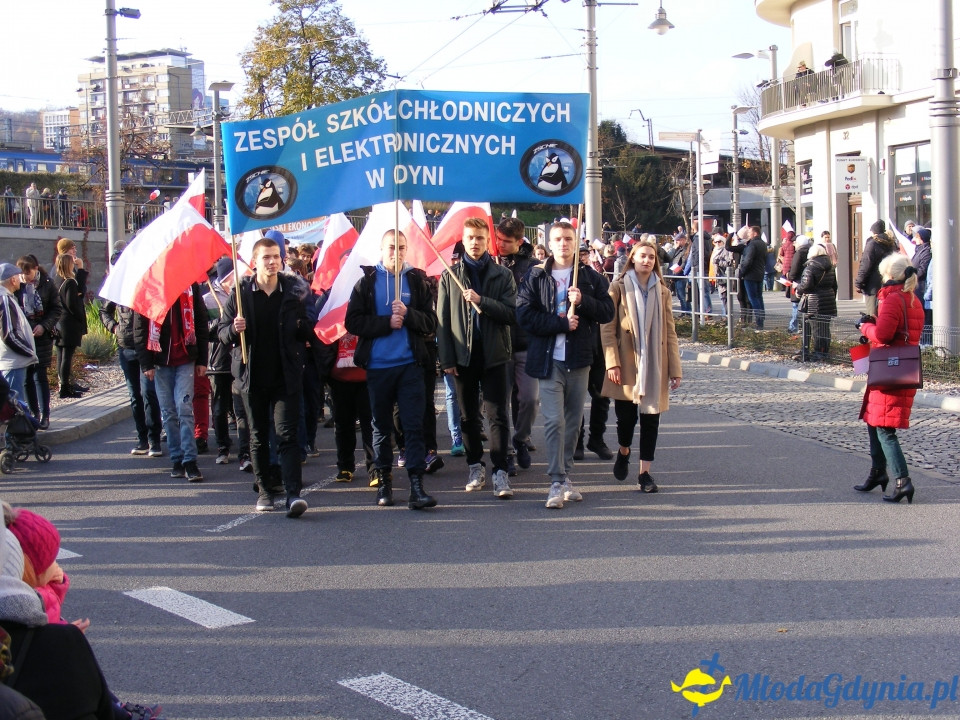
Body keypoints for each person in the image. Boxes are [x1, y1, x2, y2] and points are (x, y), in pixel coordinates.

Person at [516, 221, 614, 509]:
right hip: (548, 360)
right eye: (557, 239)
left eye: (568, 239)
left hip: (579, 358)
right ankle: (556, 479)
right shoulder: (535, 276)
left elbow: (607, 311)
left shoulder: (591, 278)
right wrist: (559, 323)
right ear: (549, 242)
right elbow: (523, 316)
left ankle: (565, 474)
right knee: (554, 421)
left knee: (573, 423)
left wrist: (583, 302)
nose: (563, 244)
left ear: (575, 242)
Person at [218, 237, 313, 518]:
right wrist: (234, 329)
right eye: (266, 258)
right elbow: (221, 334)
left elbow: (308, 330)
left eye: (276, 256)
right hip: (252, 376)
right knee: (258, 435)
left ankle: (293, 493)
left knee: (287, 435)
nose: (272, 262)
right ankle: (264, 491)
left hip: (286, 375)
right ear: (254, 262)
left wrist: (301, 326)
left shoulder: (294, 291)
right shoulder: (241, 294)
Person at [344, 230, 438, 510]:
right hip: (378, 367)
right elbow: (353, 322)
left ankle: (417, 486)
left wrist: (409, 315)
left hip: (410, 365)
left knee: (413, 425)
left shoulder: (416, 281)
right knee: (381, 428)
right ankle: (383, 482)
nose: (396, 252)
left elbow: (431, 322)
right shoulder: (367, 283)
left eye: (400, 247)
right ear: (381, 249)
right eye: (390, 247)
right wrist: (386, 323)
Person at [438, 218, 517, 498]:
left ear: (488, 241)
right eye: (470, 237)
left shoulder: (502, 275)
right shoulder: (450, 275)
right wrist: (446, 359)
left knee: (497, 415)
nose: (475, 243)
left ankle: (500, 471)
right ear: (463, 239)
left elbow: (511, 313)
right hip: (463, 357)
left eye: (480, 238)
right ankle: (475, 466)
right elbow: (443, 321)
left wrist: (482, 300)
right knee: (468, 416)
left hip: (495, 354)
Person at [601, 240, 682, 492]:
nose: (647, 260)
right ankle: (624, 451)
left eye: (651, 257)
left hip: (655, 364)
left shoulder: (664, 292)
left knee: (651, 420)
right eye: (642, 256)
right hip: (626, 363)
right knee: (625, 419)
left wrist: (675, 369)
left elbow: (670, 332)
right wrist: (612, 362)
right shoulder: (618, 287)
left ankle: (645, 473)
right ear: (632, 258)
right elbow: (607, 329)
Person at [853, 254, 924, 504]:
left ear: (890, 276)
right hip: (899, 368)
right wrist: (875, 323)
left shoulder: (893, 299)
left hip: (889, 370)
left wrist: (865, 327)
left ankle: (902, 480)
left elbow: (883, 336)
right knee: (874, 420)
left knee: (884, 428)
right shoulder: (911, 299)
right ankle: (877, 473)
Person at [134, 282, 208, 484]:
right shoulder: (149, 289)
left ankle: (190, 460)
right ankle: (177, 459)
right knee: (168, 412)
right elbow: (139, 327)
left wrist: (202, 360)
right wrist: (145, 363)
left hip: (185, 357)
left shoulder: (190, 286)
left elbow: (201, 321)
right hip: (160, 361)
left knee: (184, 408)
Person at [494, 217, 538, 471]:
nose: (500, 244)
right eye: (498, 239)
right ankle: (506, 452)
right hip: (498, 343)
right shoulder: (489, 263)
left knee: (529, 399)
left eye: (506, 241)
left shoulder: (533, 267)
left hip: (525, 342)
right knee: (499, 402)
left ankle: (521, 438)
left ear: (520, 242)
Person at [15, 255, 62, 430]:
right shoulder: (17, 287)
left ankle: (45, 414)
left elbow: (56, 308)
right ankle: (33, 414)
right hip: (24, 336)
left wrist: (44, 326)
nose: (26, 277)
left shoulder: (47, 284)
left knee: (39, 375)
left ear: (36, 268)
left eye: (29, 272)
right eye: (23, 273)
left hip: (42, 336)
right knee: (27, 376)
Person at [0, 264, 38, 404]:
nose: (20, 279)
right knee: (15, 406)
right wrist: (28, 351)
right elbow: (9, 333)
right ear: (12, 280)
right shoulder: (4, 300)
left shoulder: (7, 298)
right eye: (17, 276)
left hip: (10, 359)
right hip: (12, 361)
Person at [794, 243, 838, 360]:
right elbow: (835, 286)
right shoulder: (831, 267)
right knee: (824, 328)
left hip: (814, 302)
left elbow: (806, 285)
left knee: (814, 328)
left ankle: (815, 352)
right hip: (828, 301)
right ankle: (824, 352)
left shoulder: (810, 267)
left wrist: (797, 288)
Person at [53, 254, 87, 399]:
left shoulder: (56, 280)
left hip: (60, 322)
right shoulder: (69, 282)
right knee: (66, 356)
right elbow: (73, 303)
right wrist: (80, 317)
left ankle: (63, 385)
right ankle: (65, 388)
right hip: (69, 324)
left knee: (61, 356)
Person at [854, 220, 898, 316]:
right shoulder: (891, 244)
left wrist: (859, 282)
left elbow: (866, 264)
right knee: (887, 313)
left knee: (873, 314)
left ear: (874, 232)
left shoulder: (872, 244)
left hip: (873, 286)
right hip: (889, 283)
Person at [728, 226, 767, 330]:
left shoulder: (752, 245)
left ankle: (759, 322)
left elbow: (748, 261)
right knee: (759, 298)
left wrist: (741, 273)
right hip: (759, 274)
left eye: (750, 232)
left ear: (755, 233)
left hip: (750, 275)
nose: (748, 234)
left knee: (753, 298)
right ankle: (761, 320)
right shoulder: (763, 244)